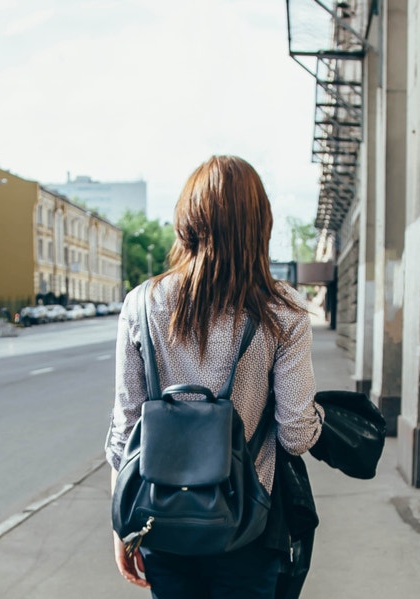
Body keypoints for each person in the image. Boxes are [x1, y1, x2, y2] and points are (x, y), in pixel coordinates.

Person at [105, 156, 324, 598]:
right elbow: (297, 434)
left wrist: (122, 526)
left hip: (160, 518)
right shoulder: (284, 309)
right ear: (260, 224)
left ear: (188, 220)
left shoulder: (142, 304)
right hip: (248, 524)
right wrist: (322, 415)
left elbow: (124, 433)